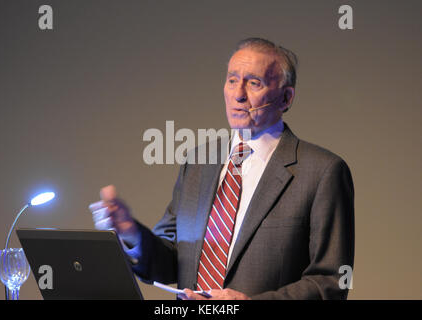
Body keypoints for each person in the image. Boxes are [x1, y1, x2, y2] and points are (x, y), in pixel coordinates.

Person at [89, 38, 354, 300]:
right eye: (231, 80)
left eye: (254, 83)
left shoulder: (322, 172)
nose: (238, 94)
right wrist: (129, 232)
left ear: (285, 98)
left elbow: (330, 282)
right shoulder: (197, 163)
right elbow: (169, 261)